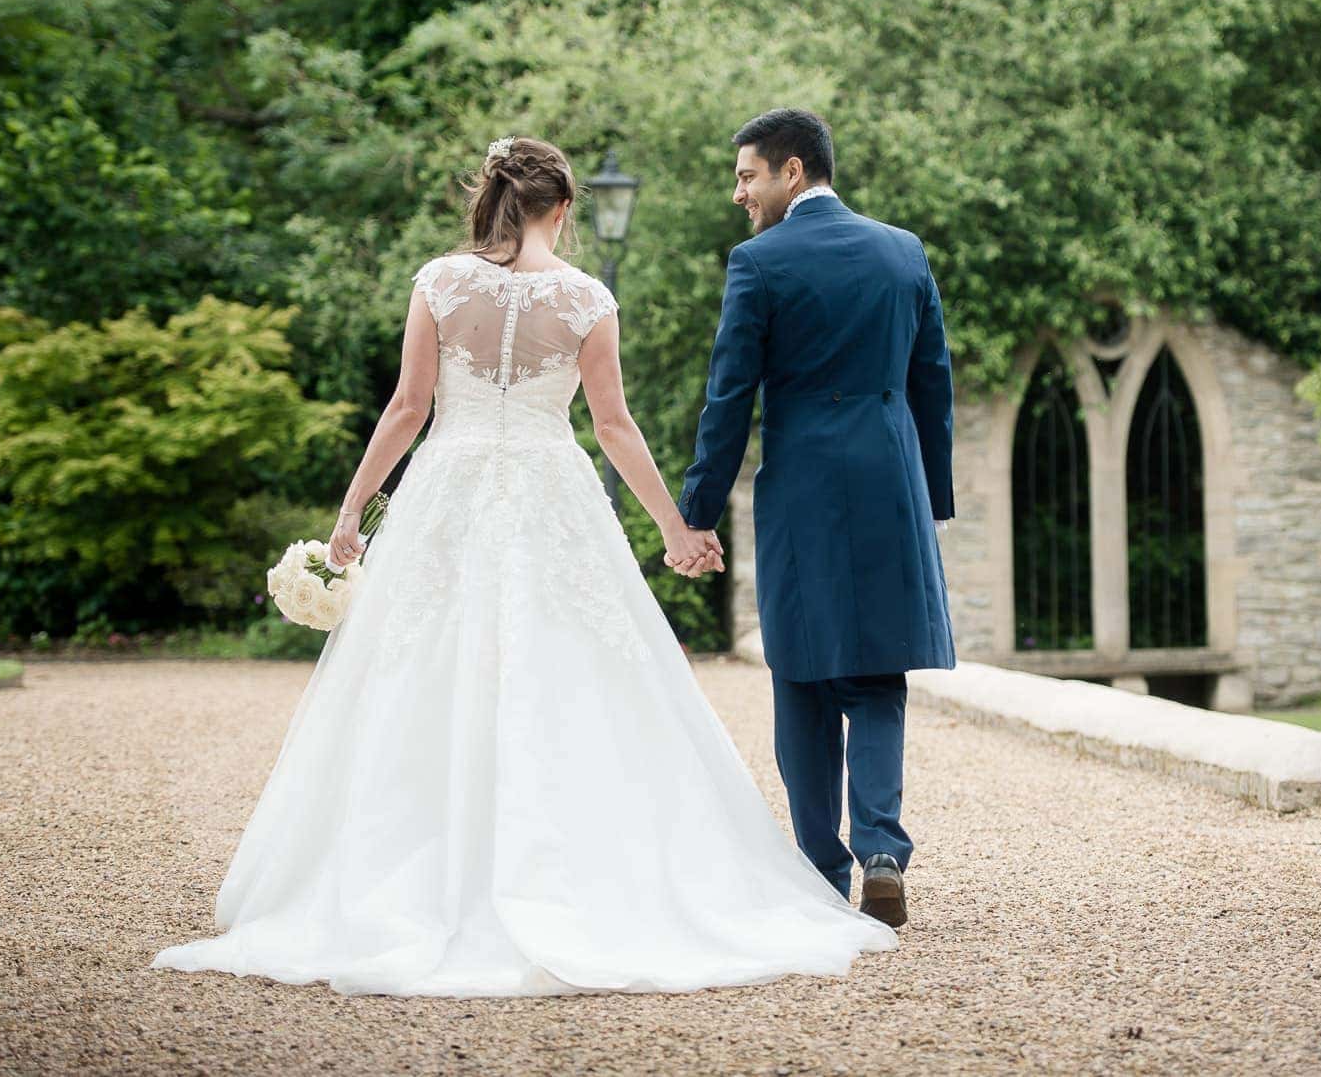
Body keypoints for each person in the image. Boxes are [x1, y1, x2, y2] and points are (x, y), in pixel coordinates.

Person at [150, 135, 895, 998]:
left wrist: (352, 511)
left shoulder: (440, 283)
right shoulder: (585, 298)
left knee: (416, 670)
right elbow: (614, 427)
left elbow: (407, 408)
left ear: (495, 198)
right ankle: (583, 873)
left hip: (448, 490)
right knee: (575, 668)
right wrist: (678, 530)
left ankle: (394, 878)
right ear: (564, 208)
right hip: (550, 493)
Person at [673, 108, 957, 929]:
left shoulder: (759, 263)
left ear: (792, 172)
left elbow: (730, 398)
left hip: (801, 482)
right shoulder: (904, 252)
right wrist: (928, 495)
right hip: (886, 478)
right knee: (875, 673)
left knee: (800, 669)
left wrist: (697, 511)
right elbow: (932, 383)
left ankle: (818, 870)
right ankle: (880, 851)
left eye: (746, 175)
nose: (738, 193)